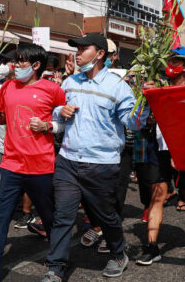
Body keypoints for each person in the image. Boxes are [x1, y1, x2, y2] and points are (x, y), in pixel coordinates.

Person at [39, 33, 148, 281]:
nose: (77, 53)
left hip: (101, 166)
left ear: (100, 54)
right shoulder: (69, 83)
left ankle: (119, 254)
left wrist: (145, 102)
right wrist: (60, 110)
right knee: (63, 216)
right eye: (76, 49)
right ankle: (55, 268)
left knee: (106, 216)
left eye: (83, 49)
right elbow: (55, 115)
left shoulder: (118, 87)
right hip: (67, 162)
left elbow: (134, 123)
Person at [0, 43, 65, 282]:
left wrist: (48, 126)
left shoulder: (53, 90)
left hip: (41, 166)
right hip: (10, 166)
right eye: (15, 61)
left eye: (21, 62)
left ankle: (57, 262)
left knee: (50, 217)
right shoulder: (7, 87)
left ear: (36, 65)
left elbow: (65, 123)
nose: (15, 66)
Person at [137, 47, 185, 268]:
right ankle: (151, 246)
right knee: (158, 194)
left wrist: (183, 150)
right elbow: (143, 119)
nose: (169, 65)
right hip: (159, 149)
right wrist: (145, 100)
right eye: (168, 60)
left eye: (174, 61)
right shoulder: (158, 90)